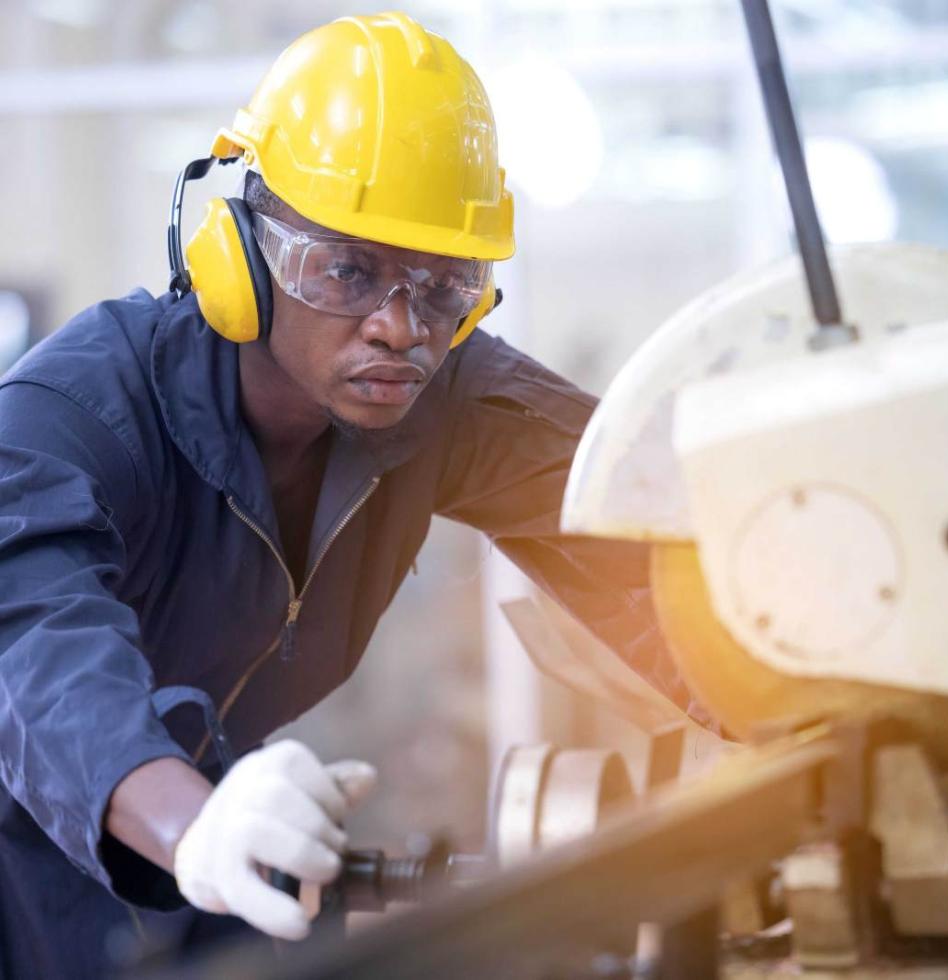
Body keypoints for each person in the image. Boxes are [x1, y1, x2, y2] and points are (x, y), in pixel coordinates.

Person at [0, 12, 702, 977]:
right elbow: (32, 654)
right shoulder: (72, 414)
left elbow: (639, 515)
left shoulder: (443, 398)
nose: (399, 327)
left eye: (445, 282)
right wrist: (191, 826)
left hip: (199, 836)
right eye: (346, 269)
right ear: (239, 255)